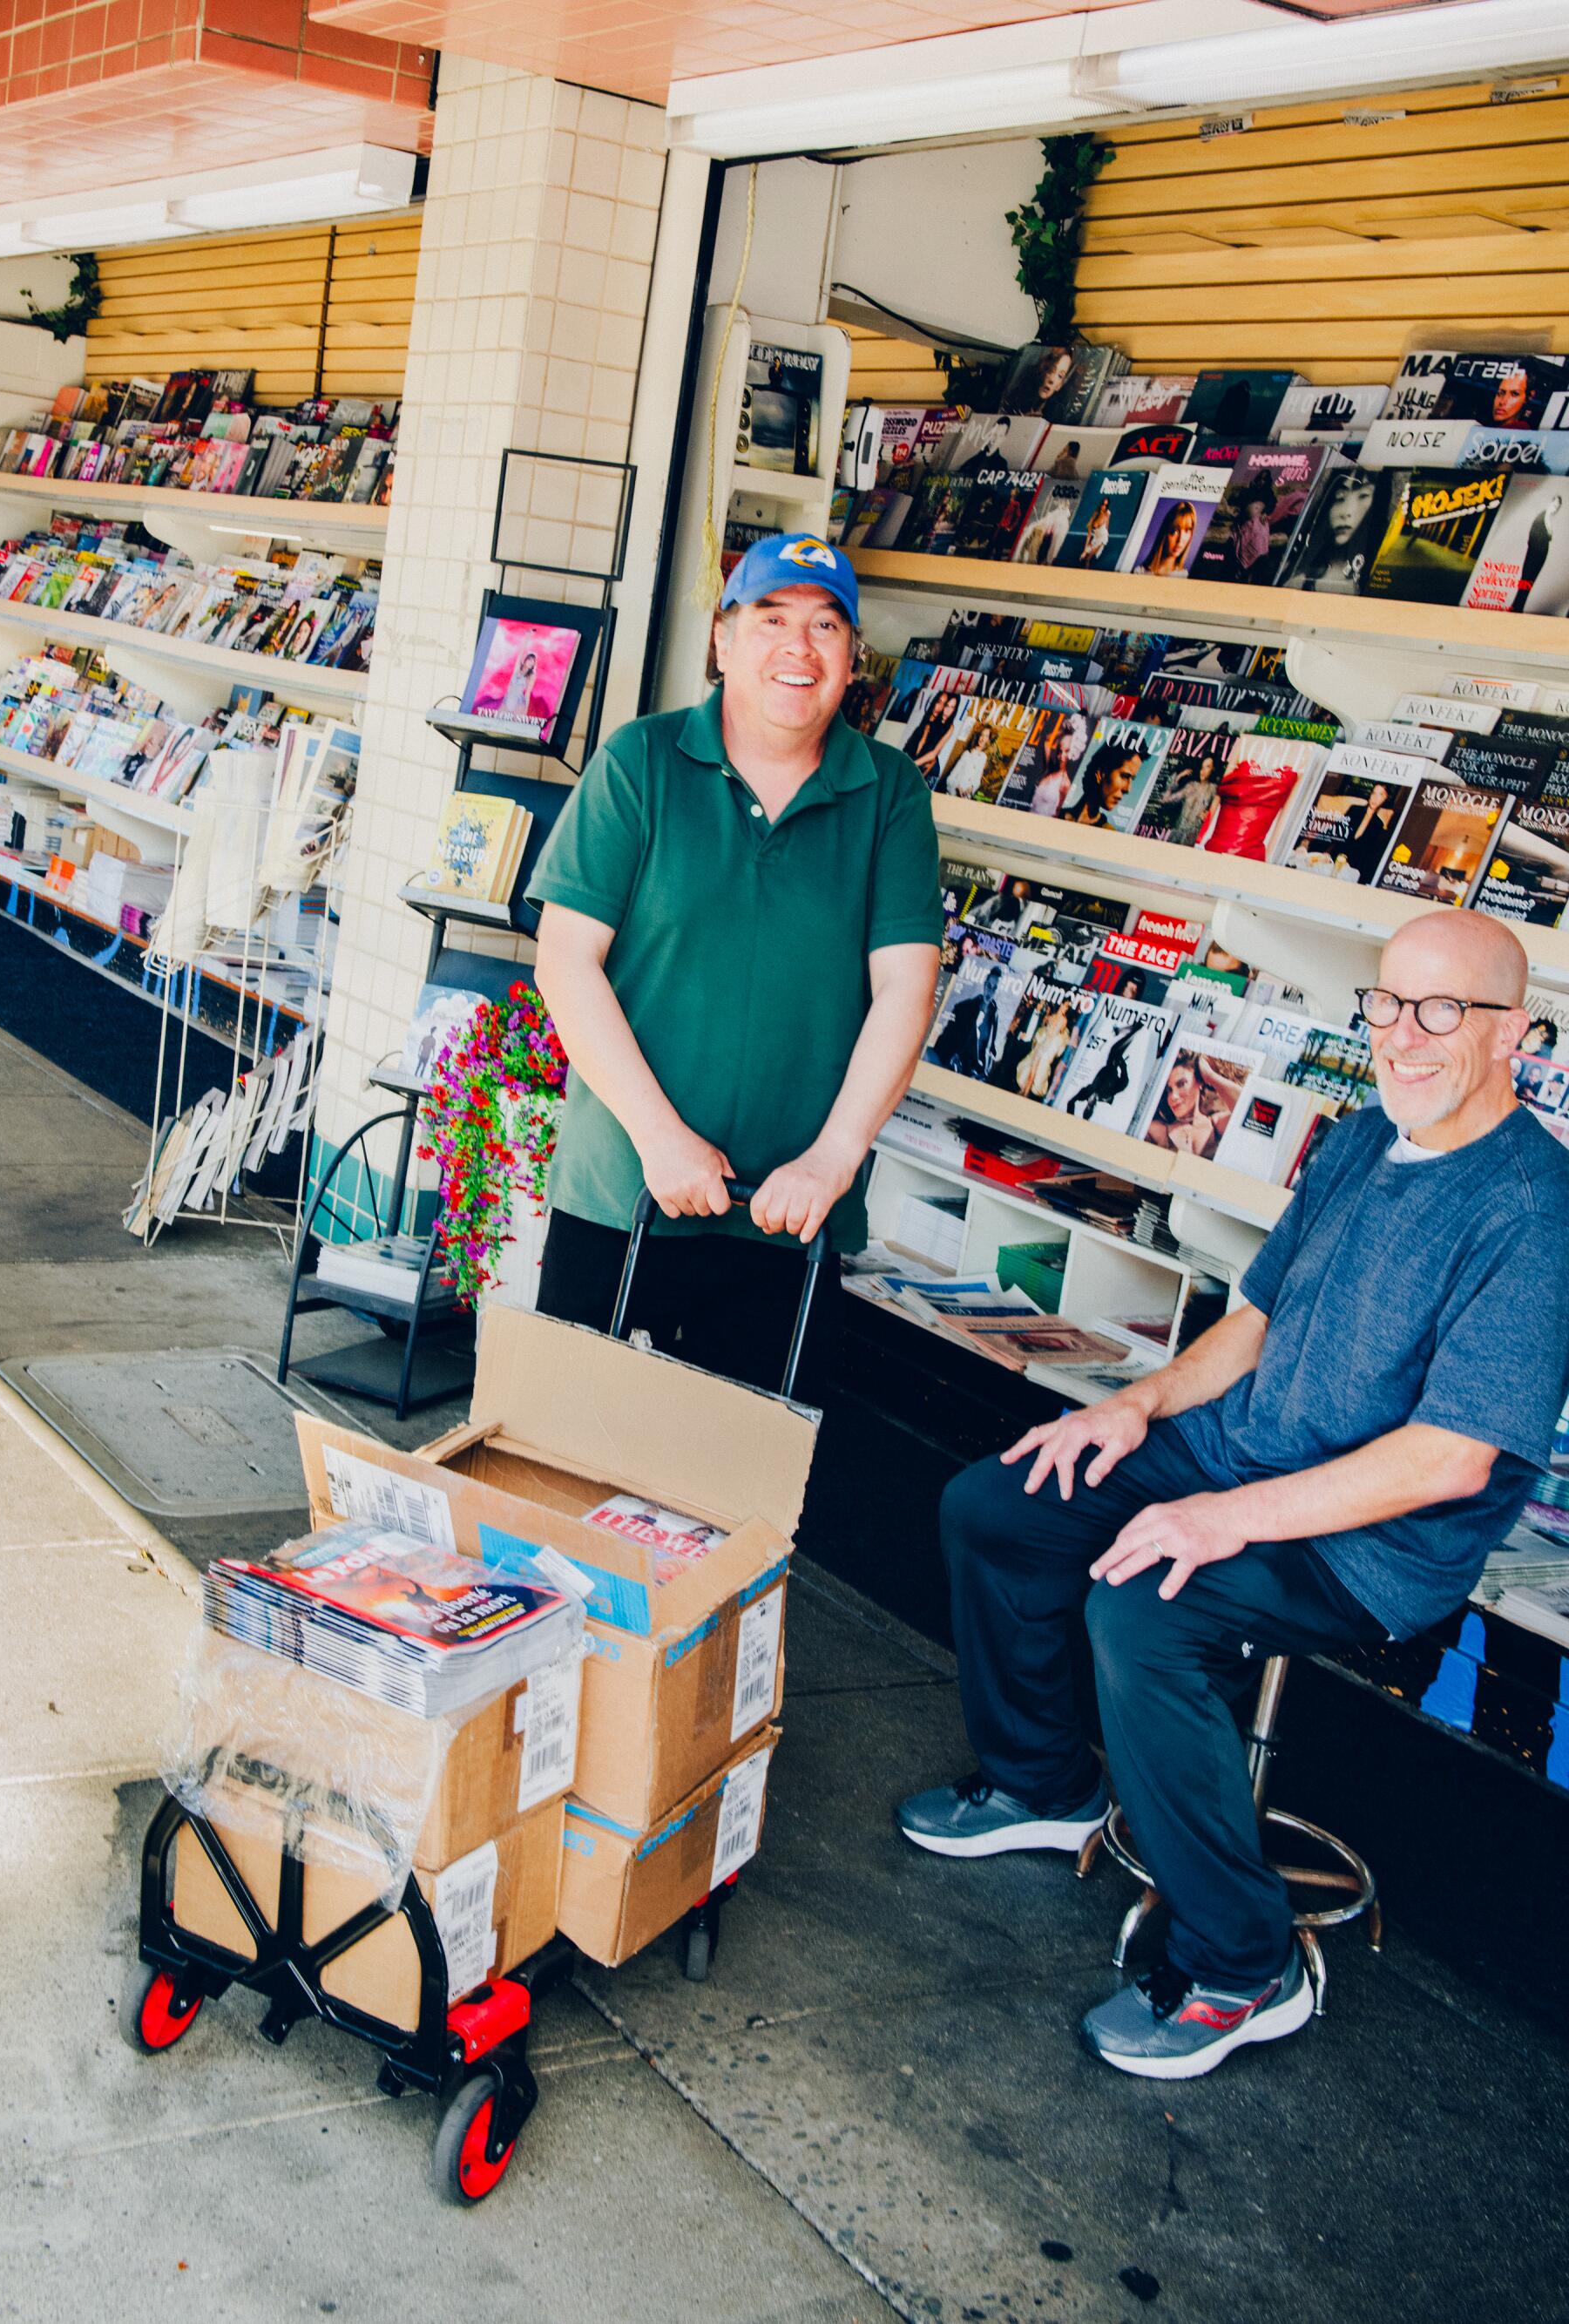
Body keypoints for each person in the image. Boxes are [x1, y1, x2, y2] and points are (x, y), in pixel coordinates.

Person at [898, 908, 1569, 2079]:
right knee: (998, 1504)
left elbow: (1451, 1457)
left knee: (1146, 1612)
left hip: (1369, 1541)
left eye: (1443, 1010)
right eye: (1388, 1003)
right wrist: (1138, 1405)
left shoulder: (1535, 1208)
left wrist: (1219, 1519)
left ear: (1515, 1031)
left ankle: (1242, 1962)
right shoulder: (1363, 1135)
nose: (1402, 1036)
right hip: (1236, 1452)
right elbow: (1253, 1319)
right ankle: (1042, 1782)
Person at [525, 533, 941, 1394]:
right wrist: (658, 1137)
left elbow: (906, 986)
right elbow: (566, 961)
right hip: (623, 1194)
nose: (798, 648)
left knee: (736, 1499)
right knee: (562, 1462)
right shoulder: (639, 762)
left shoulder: (888, 792)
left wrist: (835, 1156)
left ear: (850, 656)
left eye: (826, 627)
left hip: (790, 1216)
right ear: (721, 640)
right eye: (771, 619)